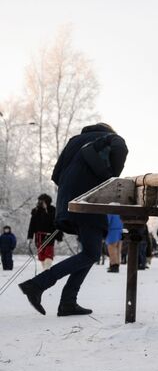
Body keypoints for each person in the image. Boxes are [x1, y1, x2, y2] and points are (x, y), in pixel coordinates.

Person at [18, 123, 128, 316]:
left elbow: (56, 174)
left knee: (89, 252)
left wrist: (73, 187)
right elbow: (121, 148)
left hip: (67, 202)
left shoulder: (74, 141)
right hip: (90, 201)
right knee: (91, 254)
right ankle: (37, 285)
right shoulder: (110, 138)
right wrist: (110, 177)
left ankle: (68, 302)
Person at [27, 194, 62, 270]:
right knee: (41, 256)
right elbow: (32, 225)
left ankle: (47, 269)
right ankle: (45, 270)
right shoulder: (35, 211)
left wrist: (59, 237)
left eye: (42, 201)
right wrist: (30, 237)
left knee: (48, 254)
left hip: (50, 236)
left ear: (47, 201)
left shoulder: (53, 210)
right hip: (38, 237)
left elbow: (58, 224)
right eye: (39, 201)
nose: (40, 202)